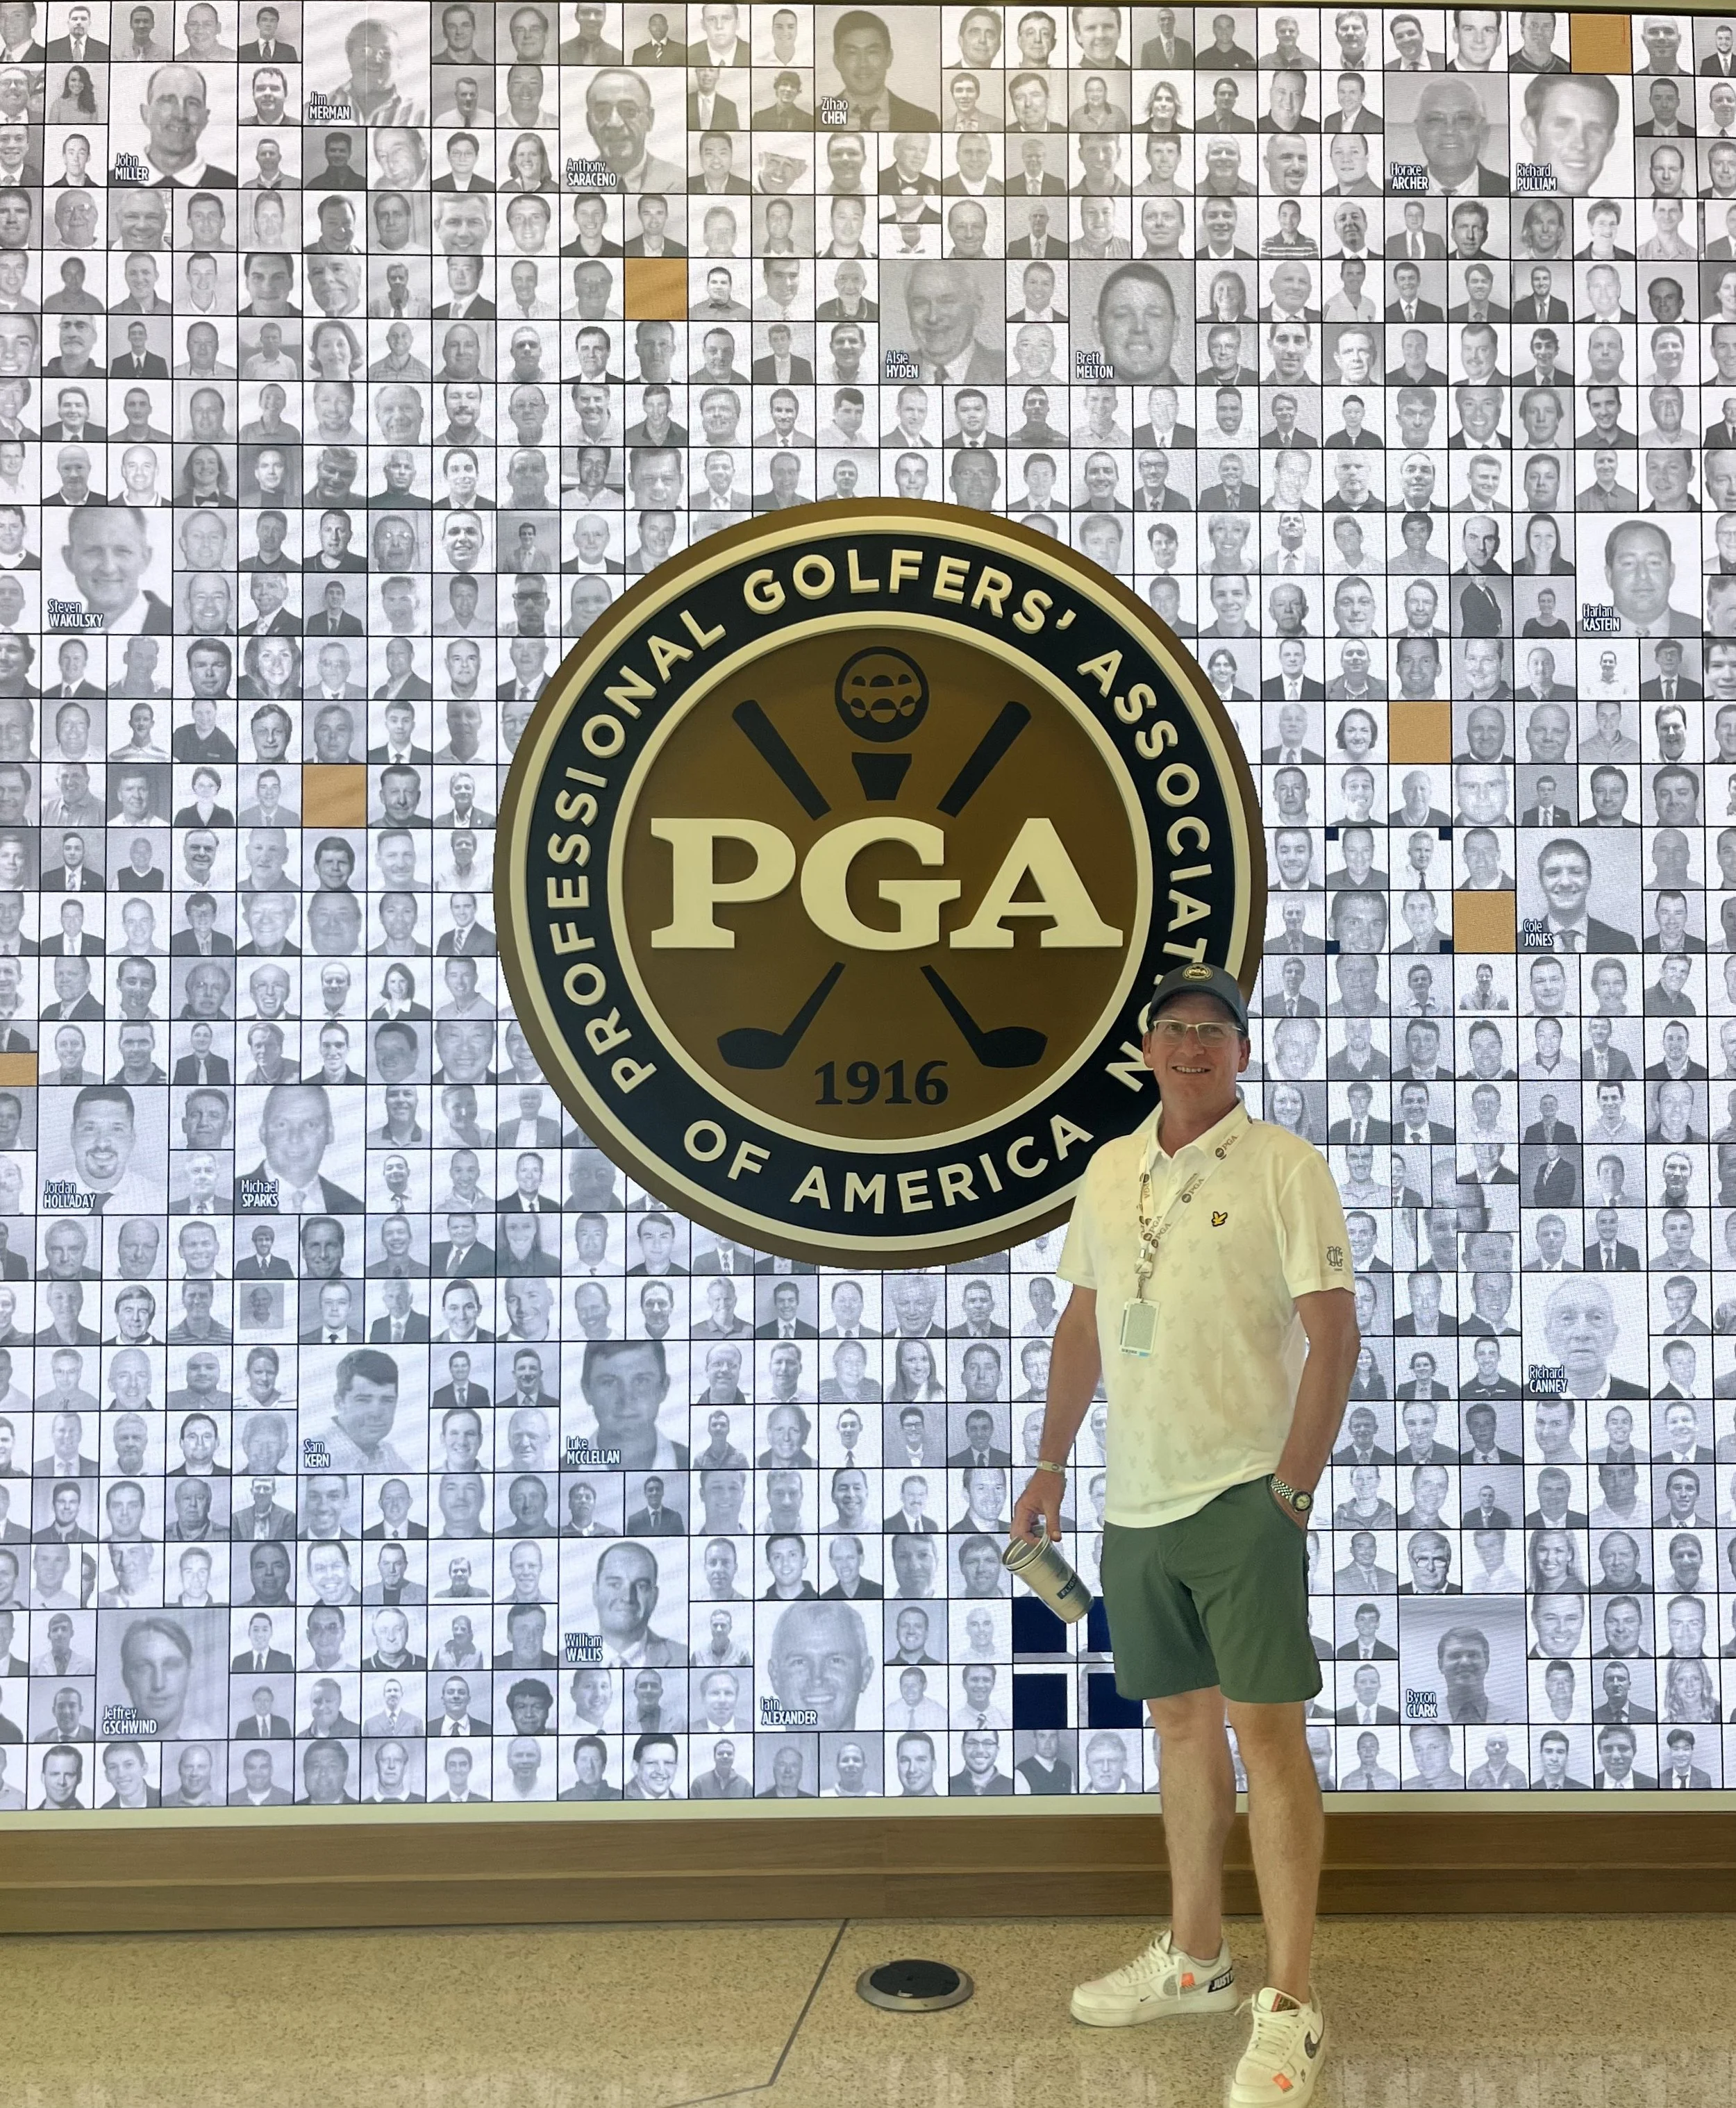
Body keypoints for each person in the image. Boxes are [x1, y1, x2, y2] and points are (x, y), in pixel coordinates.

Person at [1017, 964, 1355, 2103]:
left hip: (1243, 1496)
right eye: (1172, 1030)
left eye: (1214, 1030)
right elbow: (1084, 1324)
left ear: (1241, 1054)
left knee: (1269, 1739)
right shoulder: (1112, 1170)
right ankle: (1199, 1959)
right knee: (1177, 1727)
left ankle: (1293, 2004)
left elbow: (1334, 1333)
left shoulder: (1284, 1166)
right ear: (1147, 1052)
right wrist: (1050, 1464)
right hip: (1136, 1504)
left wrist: (1291, 1492)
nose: (1191, 1046)